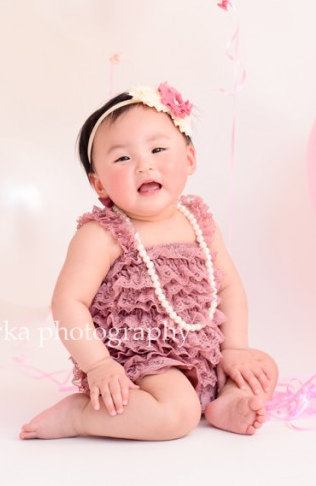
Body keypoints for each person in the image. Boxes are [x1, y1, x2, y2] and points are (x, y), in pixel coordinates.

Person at [19, 82, 277, 440]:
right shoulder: (103, 234)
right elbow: (68, 302)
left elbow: (230, 287)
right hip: (145, 358)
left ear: (189, 159)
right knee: (176, 414)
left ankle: (226, 402)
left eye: (157, 149)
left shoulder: (198, 222)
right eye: (123, 158)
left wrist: (235, 349)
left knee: (261, 368)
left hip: (205, 350)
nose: (144, 164)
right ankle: (80, 415)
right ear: (100, 185)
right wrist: (98, 365)